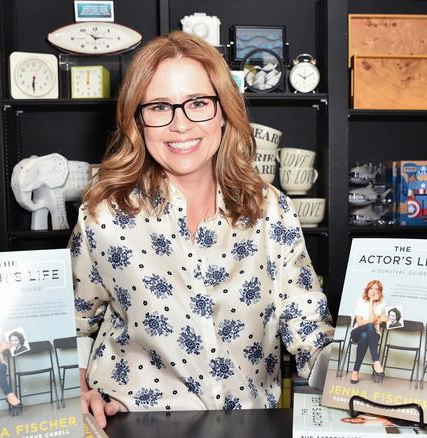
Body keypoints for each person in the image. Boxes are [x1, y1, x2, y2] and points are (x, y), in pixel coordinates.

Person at [69, 31, 334, 428]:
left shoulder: (270, 208)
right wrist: (75, 385)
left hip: (248, 427)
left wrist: (354, 377)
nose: (180, 125)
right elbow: (71, 326)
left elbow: (309, 328)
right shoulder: (102, 215)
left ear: (224, 111)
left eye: (197, 103)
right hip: (135, 426)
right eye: (159, 106)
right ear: (137, 119)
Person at [349, 280, 387, 384]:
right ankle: (376, 361)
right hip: (356, 332)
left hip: (373, 334)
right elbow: (360, 322)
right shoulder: (360, 301)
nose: (374, 291)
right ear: (367, 289)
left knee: (365, 336)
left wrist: (372, 303)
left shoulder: (382, 303)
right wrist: (378, 320)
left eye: (376, 289)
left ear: (379, 292)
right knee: (370, 325)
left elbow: (370, 319)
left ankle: (355, 371)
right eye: (372, 288)